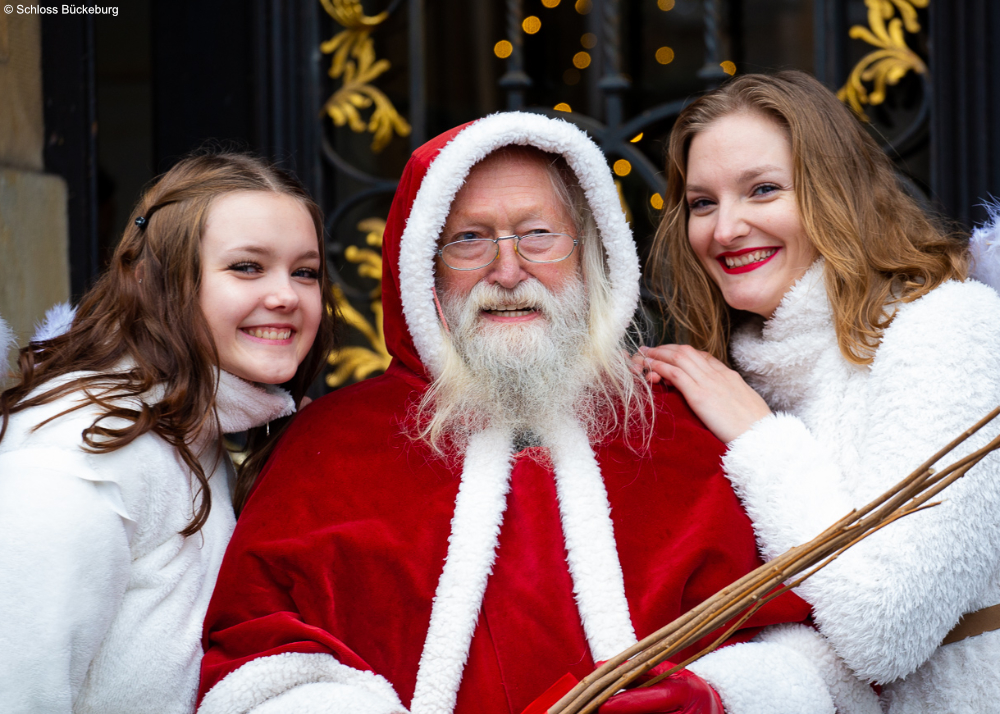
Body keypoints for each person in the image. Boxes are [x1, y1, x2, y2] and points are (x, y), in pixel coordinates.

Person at [197, 112, 879, 714]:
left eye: (539, 234)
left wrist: (721, 696)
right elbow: (255, 663)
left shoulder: (681, 431)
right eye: (469, 239)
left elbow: (815, 653)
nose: (508, 269)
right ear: (421, 269)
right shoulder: (333, 448)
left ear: (592, 253)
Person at [639, 70, 1000, 713]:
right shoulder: (735, 371)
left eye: (763, 190)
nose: (725, 229)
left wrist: (760, 439)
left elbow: (886, 629)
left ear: (835, 192)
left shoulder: (948, 328)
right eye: (702, 202)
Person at [0, 152, 336, 714]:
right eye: (248, 267)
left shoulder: (197, 423)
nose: (286, 295)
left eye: (305, 271)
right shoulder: (78, 449)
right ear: (161, 282)